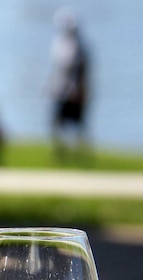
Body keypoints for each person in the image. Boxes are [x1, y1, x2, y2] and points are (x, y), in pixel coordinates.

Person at [47, 7, 90, 163]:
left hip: (74, 92)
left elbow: (82, 72)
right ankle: (61, 153)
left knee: (78, 125)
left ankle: (80, 154)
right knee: (56, 122)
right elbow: (57, 69)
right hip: (60, 90)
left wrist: (80, 91)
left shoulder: (80, 48)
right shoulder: (59, 44)